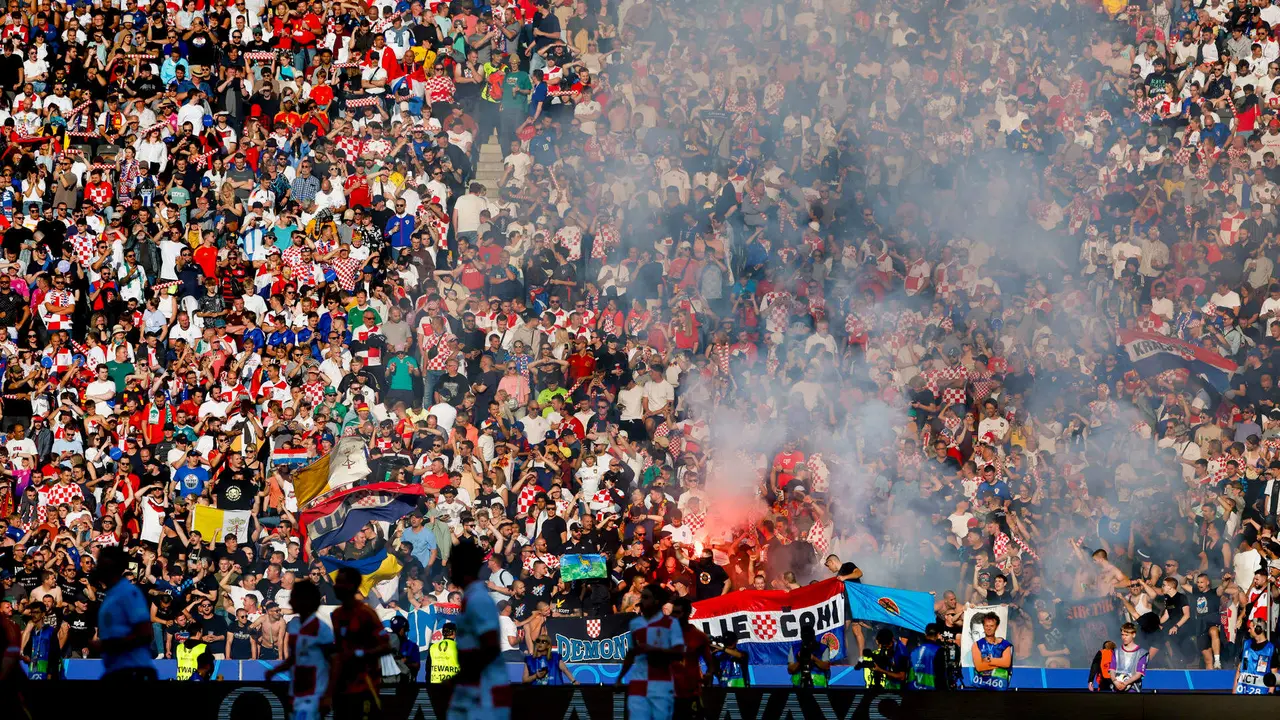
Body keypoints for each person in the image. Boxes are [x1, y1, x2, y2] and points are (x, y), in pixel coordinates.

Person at [447, 541, 510, 720]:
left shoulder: (478, 600)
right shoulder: (470, 598)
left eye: (453, 565)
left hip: (485, 697)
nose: (450, 571)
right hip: (471, 693)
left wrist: (460, 676)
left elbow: (489, 646)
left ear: (462, 567)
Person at [266, 581, 335, 720]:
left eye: (294, 597)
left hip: (314, 693)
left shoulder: (321, 629)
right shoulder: (294, 625)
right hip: (296, 691)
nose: (291, 601)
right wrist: (276, 670)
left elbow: (334, 662)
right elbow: (296, 657)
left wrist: (328, 695)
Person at [330, 568, 389, 720]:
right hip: (342, 689)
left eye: (340, 583)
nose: (336, 586)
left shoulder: (366, 614)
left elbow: (386, 646)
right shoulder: (337, 615)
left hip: (364, 686)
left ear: (351, 586)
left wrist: (360, 654)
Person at [618, 585, 684, 720]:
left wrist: (655, 650)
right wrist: (620, 677)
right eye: (642, 597)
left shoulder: (671, 623)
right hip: (638, 683)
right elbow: (631, 653)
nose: (642, 600)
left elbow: (679, 652)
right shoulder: (635, 624)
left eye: (646, 597)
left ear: (656, 601)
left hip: (661, 683)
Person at [93, 546, 156, 681]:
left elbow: (145, 633)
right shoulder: (110, 595)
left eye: (101, 563)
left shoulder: (128, 592)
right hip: (115, 669)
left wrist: (108, 645)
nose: (98, 567)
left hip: (134, 671)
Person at [669, 596, 713, 720]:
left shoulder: (699, 636)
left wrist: (708, 675)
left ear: (687, 613)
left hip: (691, 694)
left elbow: (710, 664)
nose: (674, 615)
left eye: (677, 612)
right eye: (673, 612)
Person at [1234, 620, 1280, 694]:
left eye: (1250, 628)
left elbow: (1274, 674)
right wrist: (1234, 692)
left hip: (1261, 693)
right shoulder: (1246, 645)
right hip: (1242, 691)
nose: (1248, 630)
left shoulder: (1270, 649)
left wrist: (1270, 693)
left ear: (1258, 629)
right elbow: (1239, 670)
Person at [970, 612, 1013, 691]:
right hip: (981, 686)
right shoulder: (977, 645)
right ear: (983, 626)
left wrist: (987, 661)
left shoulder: (1005, 644)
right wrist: (999, 663)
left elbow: (1006, 663)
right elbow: (979, 667)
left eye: (991, 626)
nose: (988, 628)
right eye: (986, 625)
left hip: (1000, 686)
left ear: (996, 627)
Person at [907, 624, 948, 691]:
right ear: (938, 634)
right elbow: (940, 674)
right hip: (931, 691)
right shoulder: (938, 650)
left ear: (926, 634)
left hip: (913, 690)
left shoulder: (914, 651)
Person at [1111, 623, 1149, 693]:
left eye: (1127, 635)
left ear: (1133, 635)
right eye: (1122, 635)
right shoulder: (1116, 652)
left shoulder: (1141, 653)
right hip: (1116, 688)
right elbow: (1112, 670)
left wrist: (1125, 683)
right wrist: (1115, 682)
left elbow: (1138, 674)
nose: (1124, 637)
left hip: (1133, 690)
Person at [386, 615, 422, 686]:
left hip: (404, 684)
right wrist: (400, 662)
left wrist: (403, 663)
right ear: (403, 629)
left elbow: (416, 666)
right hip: (389, 684)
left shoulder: (411, 646)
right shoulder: (385, 644)